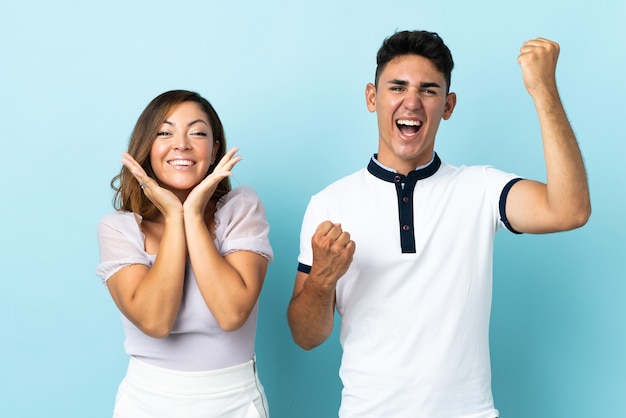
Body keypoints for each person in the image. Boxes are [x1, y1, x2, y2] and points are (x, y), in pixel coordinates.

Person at [287, 30, 591, 417]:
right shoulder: (329, 204)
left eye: (428, 90)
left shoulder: (481, 188)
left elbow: (570, 210)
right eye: (397, 87)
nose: (411, 102)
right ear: (372, 97)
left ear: (447, 106)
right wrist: (322, 280)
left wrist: (543, 90)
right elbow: (306, 337)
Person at [96, 90, 273, 417]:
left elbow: (232, 313)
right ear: (146, 146)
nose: (182, 144)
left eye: (198, 132)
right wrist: (176, 217)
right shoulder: (118, 229)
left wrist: (192, 213)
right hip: (147, 402)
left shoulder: (241, 208)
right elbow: (155, 321)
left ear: (215, 149)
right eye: (165, 132)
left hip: (234, 402)